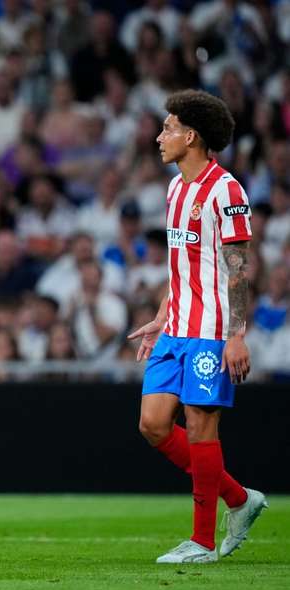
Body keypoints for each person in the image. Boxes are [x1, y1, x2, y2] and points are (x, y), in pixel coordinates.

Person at [129, 90, 267, 564]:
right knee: (152, 424)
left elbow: (238, 268)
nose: (159, 137)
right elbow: (181, 265)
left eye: (167, 128)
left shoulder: (226, 190)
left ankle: (203, 542)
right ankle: (239, 499)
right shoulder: (175, 190)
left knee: (200, 427)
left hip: (211, 330)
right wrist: (162, 313)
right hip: (176, 327)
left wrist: (237, 334)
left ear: (190, 136)